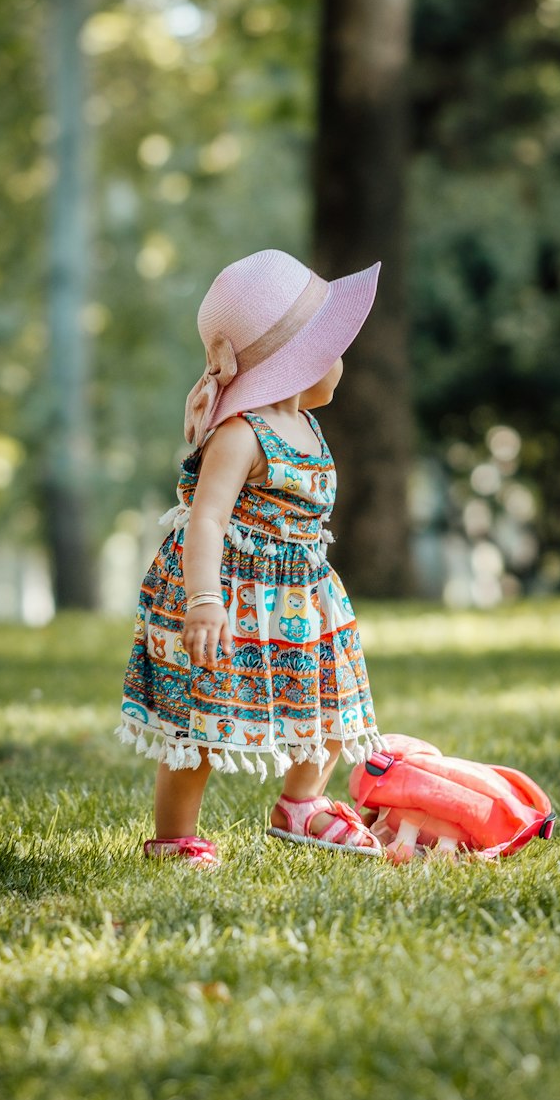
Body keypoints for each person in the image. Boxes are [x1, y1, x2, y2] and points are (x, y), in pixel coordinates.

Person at [117, 248, 387, 867]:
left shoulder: (307, 427)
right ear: (295, 365)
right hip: (230, 591)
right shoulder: (242, 434)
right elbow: (205, 518)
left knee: (327, 705)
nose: (339, 361)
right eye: (330, 348)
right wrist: (204, 600)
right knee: (201, 724)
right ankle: (174, 836)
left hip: (297, 593)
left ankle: (302, 804)